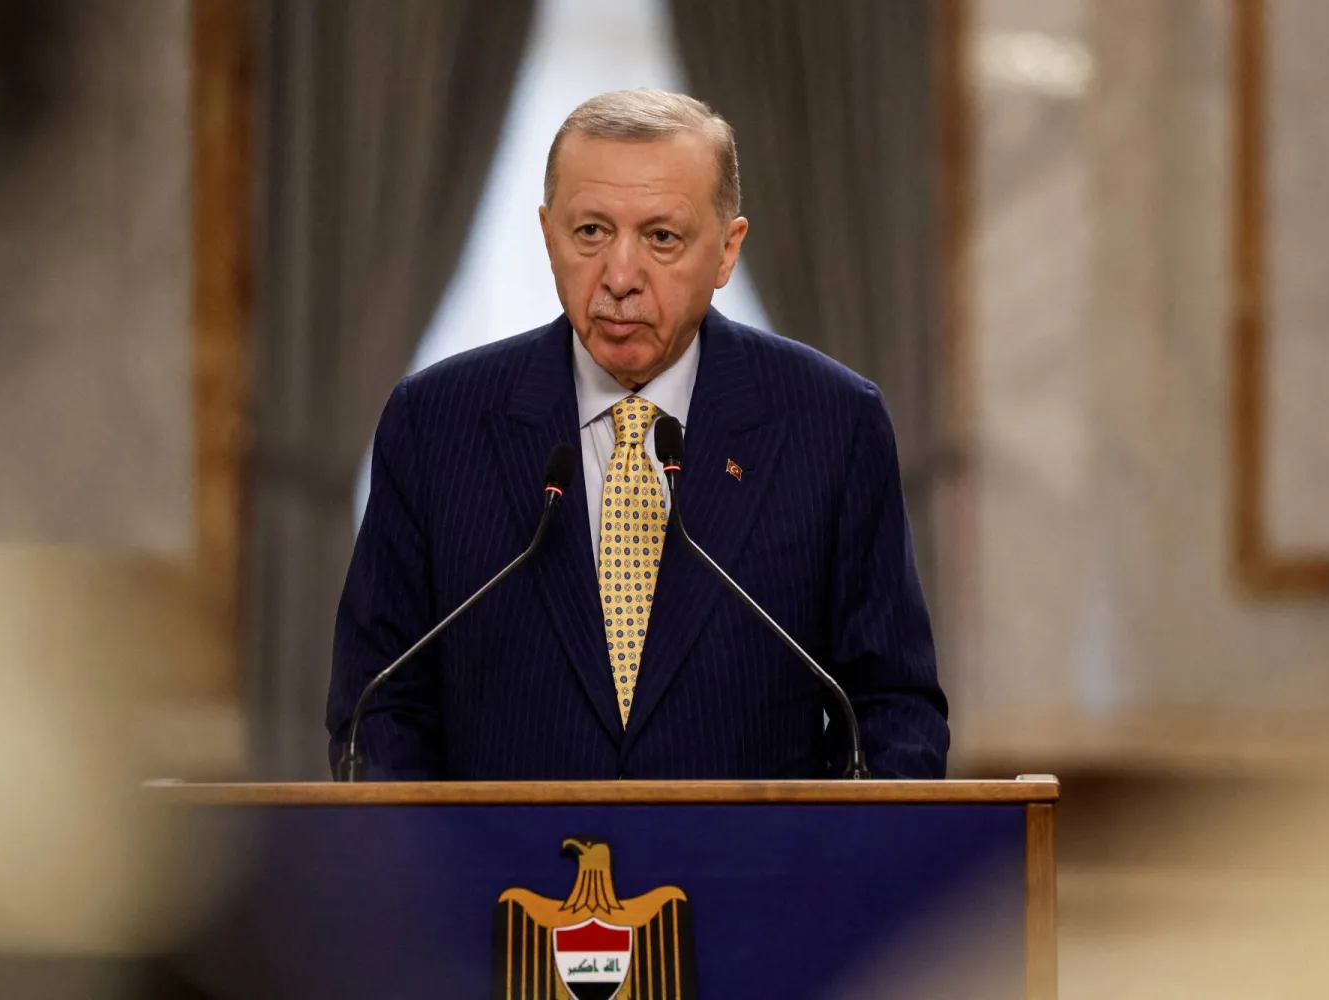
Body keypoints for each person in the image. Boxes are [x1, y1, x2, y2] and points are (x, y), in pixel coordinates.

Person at [327, 88, 949, 780]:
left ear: (727, 251)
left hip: (759, 881)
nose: (619, 277)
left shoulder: (832, 424)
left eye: (661, 237)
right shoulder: (435, 423)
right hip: (500, 885)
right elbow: (379, 706)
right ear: (547, 234)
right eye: (590, 232)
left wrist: (850, 871)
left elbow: (893, 708)